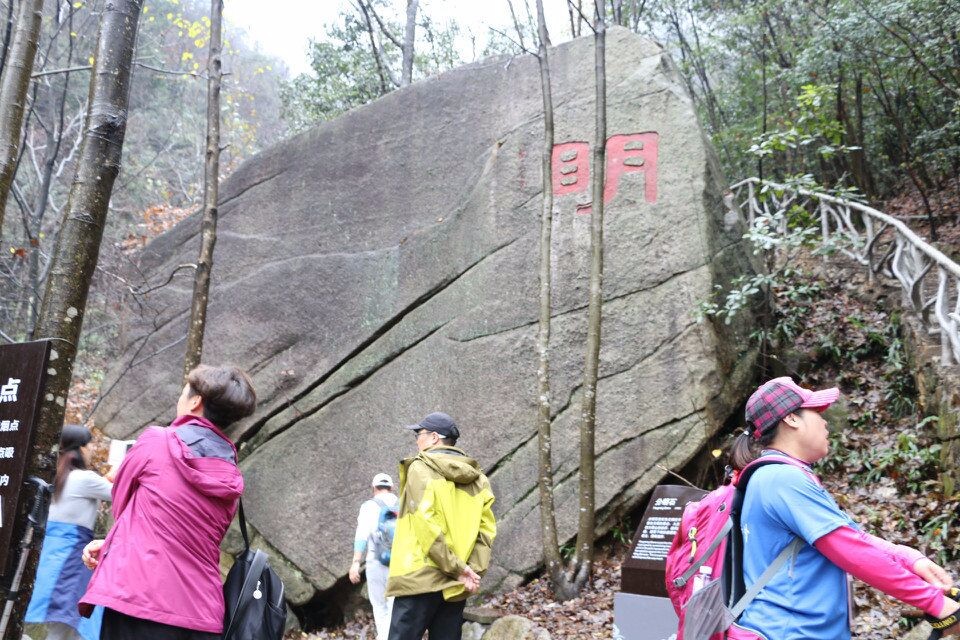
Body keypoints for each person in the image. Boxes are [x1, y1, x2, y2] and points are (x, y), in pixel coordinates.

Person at [731, 376, 960, 639]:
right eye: (816, 412)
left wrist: (910, 559)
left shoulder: (774, 475)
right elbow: (850, 549)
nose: (825, 421)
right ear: (791, 419)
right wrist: (936, 603)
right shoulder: (782, 480)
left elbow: (851, 537)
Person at [79, 364, 256, 640]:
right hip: (203, 615)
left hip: (140, 604)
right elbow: (187, 534)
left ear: (196, 402)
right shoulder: (230, 471)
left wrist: (120, 541)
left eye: (184, 393)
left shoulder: (157, 441)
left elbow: (122, 502)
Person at [386, 412, 496, 640]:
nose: (417, 439)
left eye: (419, 434)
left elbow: (426, 523)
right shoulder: (479, 478)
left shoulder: (420, 468)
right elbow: (485, 532)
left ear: (435, 437)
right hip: (457, 582)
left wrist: (456, 568)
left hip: (420, 576)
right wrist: (471, 571)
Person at [25, 425, 112, 640]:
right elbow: (119, 491)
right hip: (72, 560)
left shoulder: (58, 477)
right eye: (89, 445)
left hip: (49, 557)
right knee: (69, 623)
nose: (91, 450)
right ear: (81, 449)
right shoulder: (85, 479)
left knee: (58, 623)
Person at [350, 473, 400, 640]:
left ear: (374, 488)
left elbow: (361, 535)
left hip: (375, 562)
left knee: (379, 605)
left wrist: (356, 562)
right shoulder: (401, 504)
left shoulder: (368, 506)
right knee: (395, 604)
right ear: (391, 487)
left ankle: (384, 637)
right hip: (399, 562)